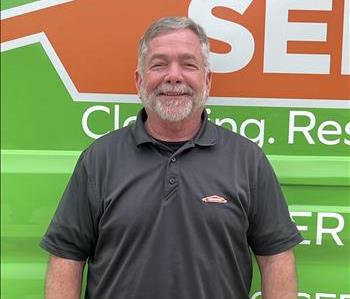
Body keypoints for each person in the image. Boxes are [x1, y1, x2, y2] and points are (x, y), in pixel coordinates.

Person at [41, 16, 303, 299]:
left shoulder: (247, 160)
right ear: (139, 80)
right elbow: (66, 257)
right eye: (159, 64)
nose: (173, 76)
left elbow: (276, 257)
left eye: (188, 64)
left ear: (207, 80)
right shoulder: (99, 159)